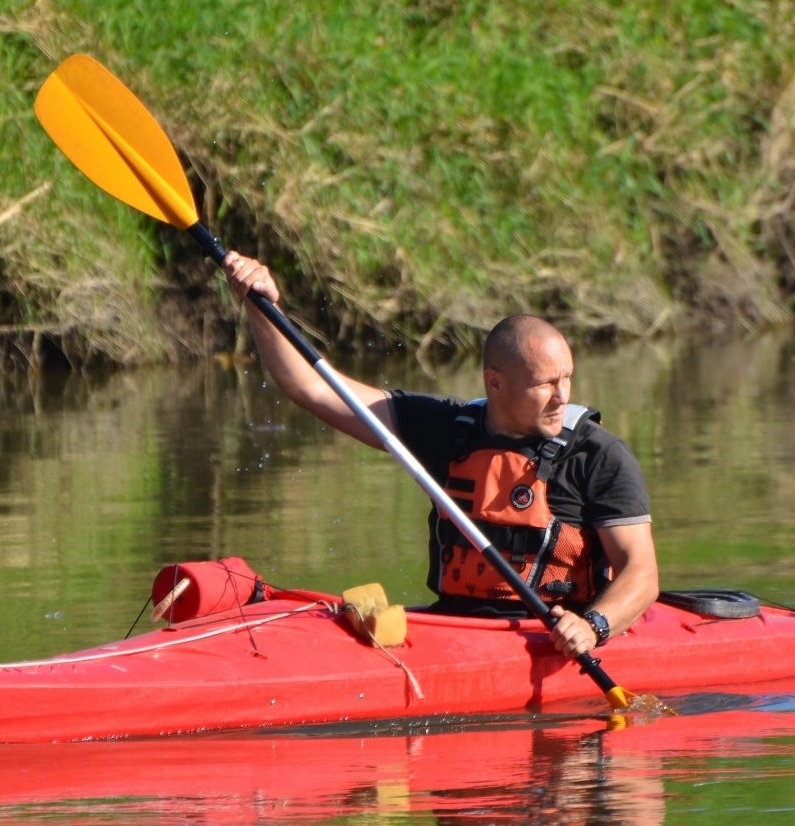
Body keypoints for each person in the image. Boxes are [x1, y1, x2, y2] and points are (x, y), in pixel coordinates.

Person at [222, 251, 659, 659]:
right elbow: (313, 387)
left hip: (553, 638)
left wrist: (594, 626)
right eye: (545, 384)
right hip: (452, 630)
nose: (562, 396)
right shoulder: (446, 429)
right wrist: (262, 307)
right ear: (495, 383)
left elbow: (641, 574)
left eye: (567, 378)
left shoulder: (597, 455)